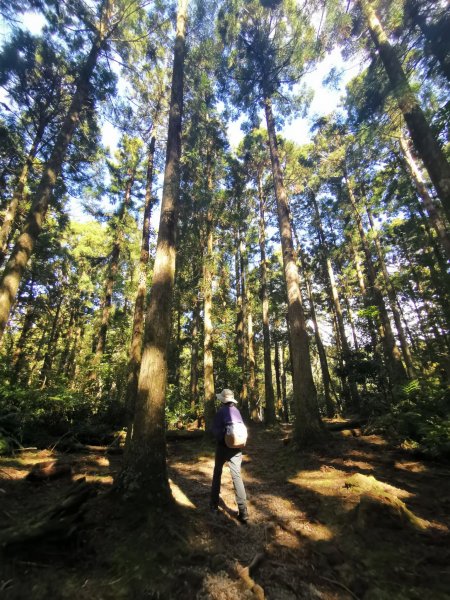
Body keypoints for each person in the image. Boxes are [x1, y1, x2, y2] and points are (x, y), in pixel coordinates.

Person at [210, 388, 249, 523]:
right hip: (237, 448)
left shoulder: (221, 412)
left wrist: (221, 439)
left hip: (223, 447)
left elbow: (215, 431)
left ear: (222, 400)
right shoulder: (237, 411)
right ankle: (243, 512)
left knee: (217, 473)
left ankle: (213, 506)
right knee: (237, 477)